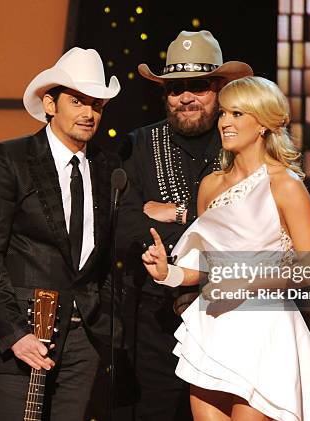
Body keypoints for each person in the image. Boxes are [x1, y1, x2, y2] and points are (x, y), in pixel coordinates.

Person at [142, 76, 310, 420]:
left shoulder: (285, 185)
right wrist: (168, 272)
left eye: (237, 114)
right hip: (212, 326)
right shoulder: (211, 185)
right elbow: (207, 269)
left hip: (261, 327)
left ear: (262, 123)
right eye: (223, 114)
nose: (225, 123)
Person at [0, 47, 120, 421]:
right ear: (50, 104)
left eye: (96, 104)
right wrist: (15, 334)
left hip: (85, 340)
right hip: (22, 336)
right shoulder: (9, 159)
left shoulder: (108, 167)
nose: (88, 113)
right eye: (78, 101)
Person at [116, 30, 253, 420]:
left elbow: (249, 233)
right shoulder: (137, 145)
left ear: (219, 89)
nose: (187, 97)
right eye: (176, 89)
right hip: (153, 323)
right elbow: (126, 226)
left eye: (198, 86)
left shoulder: (241, 145)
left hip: (230, 316)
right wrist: (200, 230)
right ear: (164, 94)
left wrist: (176, 215)